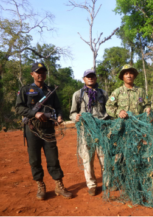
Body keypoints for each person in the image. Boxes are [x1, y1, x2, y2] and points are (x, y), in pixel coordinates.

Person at [15, 62, 72, 200]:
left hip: (48, 129)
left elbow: (58, 107)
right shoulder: (25, 90)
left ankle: (59, 185)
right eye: (37, 72)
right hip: (32, 128)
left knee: (53, 158)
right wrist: (35, 114)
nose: (41, 74)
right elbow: (19, 108)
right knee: (34, 159)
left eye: (43, 72)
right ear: (32, 74)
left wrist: (59, 116)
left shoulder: (50, 90)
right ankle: (40, 186)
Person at [70, 69, 109, 196]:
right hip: (85, 131)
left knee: (105, 158)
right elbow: (72, 112)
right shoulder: (78, 94)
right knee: (87, 158)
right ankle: (92, 185)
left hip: (101, 129)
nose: (90, 78)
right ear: (84, 79)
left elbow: (109, 111)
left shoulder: (103, 93)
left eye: (92, 76)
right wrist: (75, 117)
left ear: (96, 78)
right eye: (88, 77)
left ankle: (108, 183)